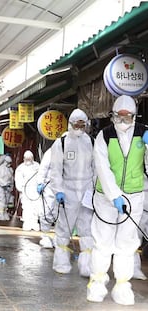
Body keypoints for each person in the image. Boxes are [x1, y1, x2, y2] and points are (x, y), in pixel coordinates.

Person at [87, 95, 148, 306]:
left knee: (127, 243)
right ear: (112, 115)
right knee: (103, 242)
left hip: (134, 196)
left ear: (134, 115)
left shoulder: (143, 133)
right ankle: (97, 283)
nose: (123, 120)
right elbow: (102, 167)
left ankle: (122, 286)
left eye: (127, 116)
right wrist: (114, 196)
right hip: (106, 198)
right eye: (118, 116)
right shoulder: (104, 135)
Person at [50, 108, 94, 277]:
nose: (79, 127)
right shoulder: (61, 143)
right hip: (67, 191)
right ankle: (61, 263)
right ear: (70, 124)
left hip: (86, 191)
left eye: (82, 124)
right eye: (76, 124)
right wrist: (58, 190)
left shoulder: (90, 141)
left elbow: (96, 168)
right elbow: (56, 170)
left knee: (88, 229)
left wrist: (94, 190)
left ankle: (87, 266)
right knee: (64, 228)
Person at [36, 148, 57, 248]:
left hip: (64, 187)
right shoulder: (51, 152)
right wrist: (40, 182)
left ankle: (59, 238)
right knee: (46, 211)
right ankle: (45, 236)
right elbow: (43, 168)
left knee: (61, 214)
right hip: (49, 186)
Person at [14, 150, 41, 231]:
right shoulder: (21, 168)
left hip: (35, 190)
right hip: (25, 190)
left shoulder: (37, 166)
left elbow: (41, 175)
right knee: (26, 207)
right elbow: (18, 179)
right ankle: (27, 223)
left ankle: (34, 222)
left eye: (30, 158)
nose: (28, 160)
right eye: (27, 158)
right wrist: (20, 188)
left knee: (36, 207)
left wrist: (40, 185)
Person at [0, 155, 14, 221]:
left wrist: (11, 186)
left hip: (8, 188)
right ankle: (0, 214)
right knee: (1, 199)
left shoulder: (10, 170)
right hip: (1, 187)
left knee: (6, 200)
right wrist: (4, 183)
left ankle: (5, 212)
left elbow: (12, 179)